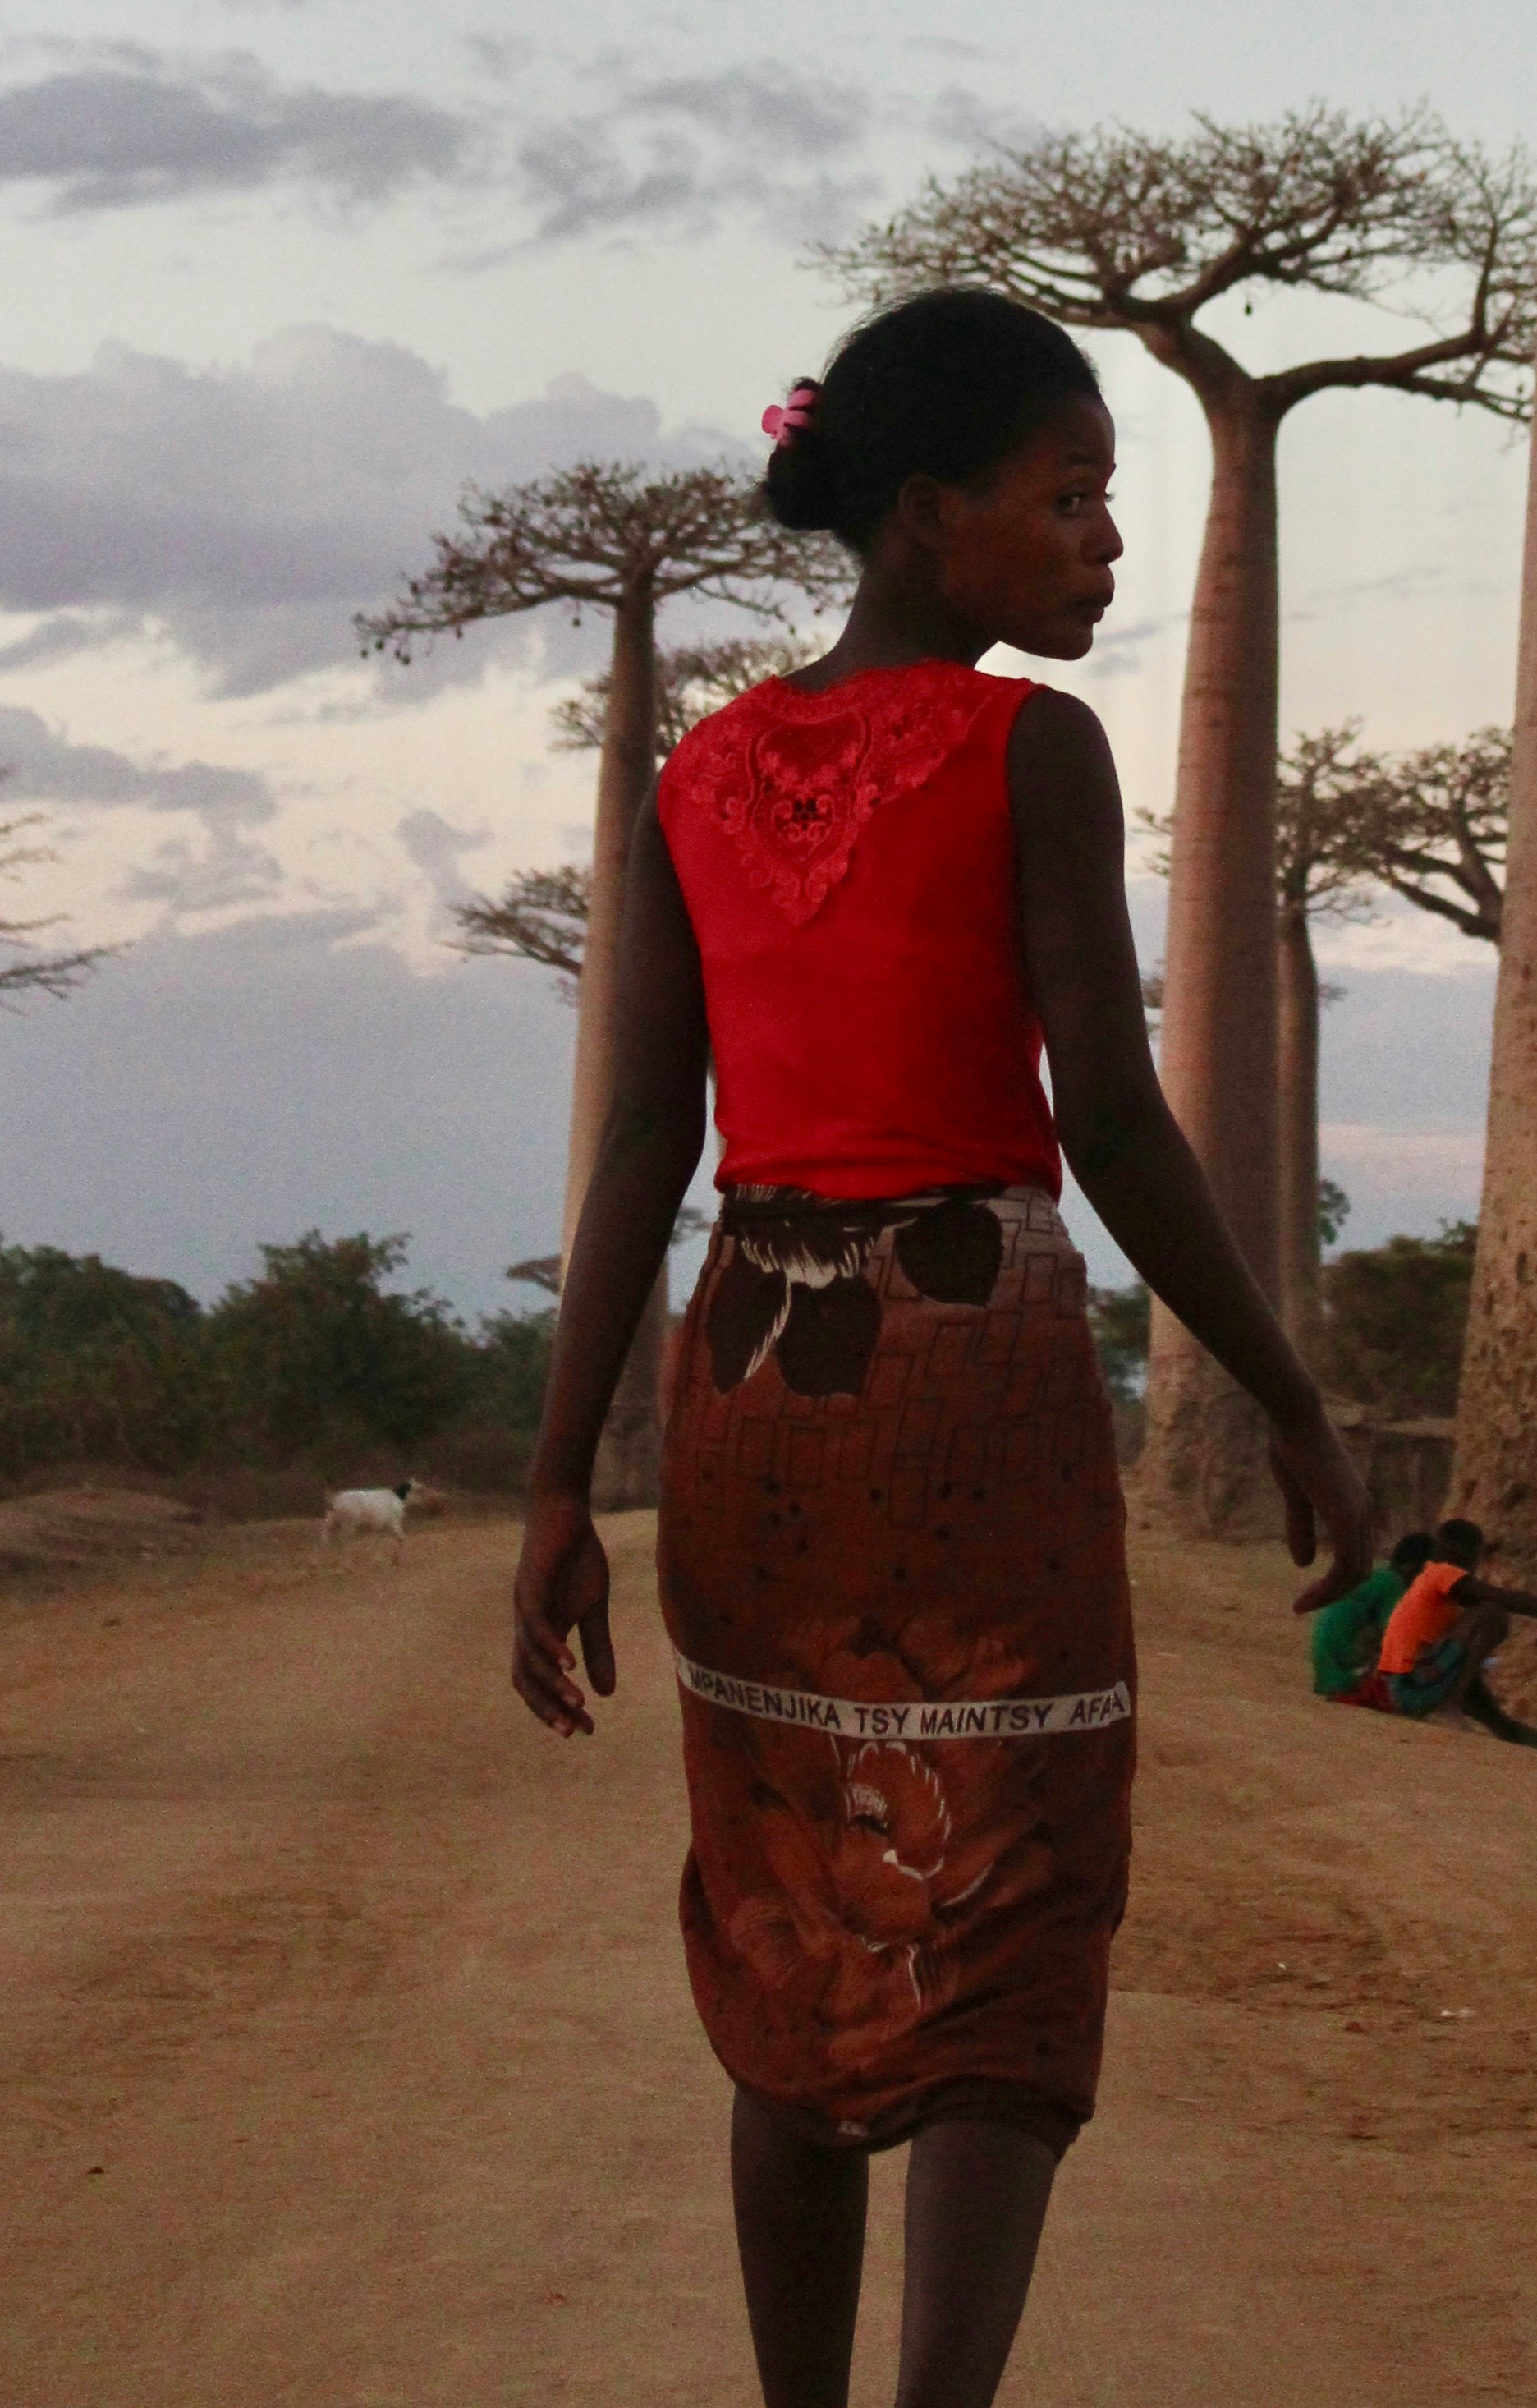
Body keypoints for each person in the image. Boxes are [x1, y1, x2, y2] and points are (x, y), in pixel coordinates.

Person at [511, 287, 1373, 2408]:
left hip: (750, 1383)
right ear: (923, 519)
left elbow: (641, 1135)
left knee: (797, 1909)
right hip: (966, 1379)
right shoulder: (1030, 753)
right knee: (1003, 1908)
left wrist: (555, 1481)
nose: (1101, 546)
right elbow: (1110, 1117)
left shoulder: (703, 775)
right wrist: (1284, 1392)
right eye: (1066, 501)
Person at [1370, 1518, 1537, 1747]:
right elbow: (1511, 1600)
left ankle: (1516, 1731)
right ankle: (1450, 1703)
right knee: (1492, 1613)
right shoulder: (1443, 1574)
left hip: (1403, 1687)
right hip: (1408, 1688)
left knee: (1489, 1708)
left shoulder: (1430, 1582)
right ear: (1469, 1556)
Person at [1310, 1528, 1433, 1707]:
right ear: (1415, 1569)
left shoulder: (1378, 1576)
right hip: (1345, 1671)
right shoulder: (1393, 1585)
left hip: (1327, 1666)